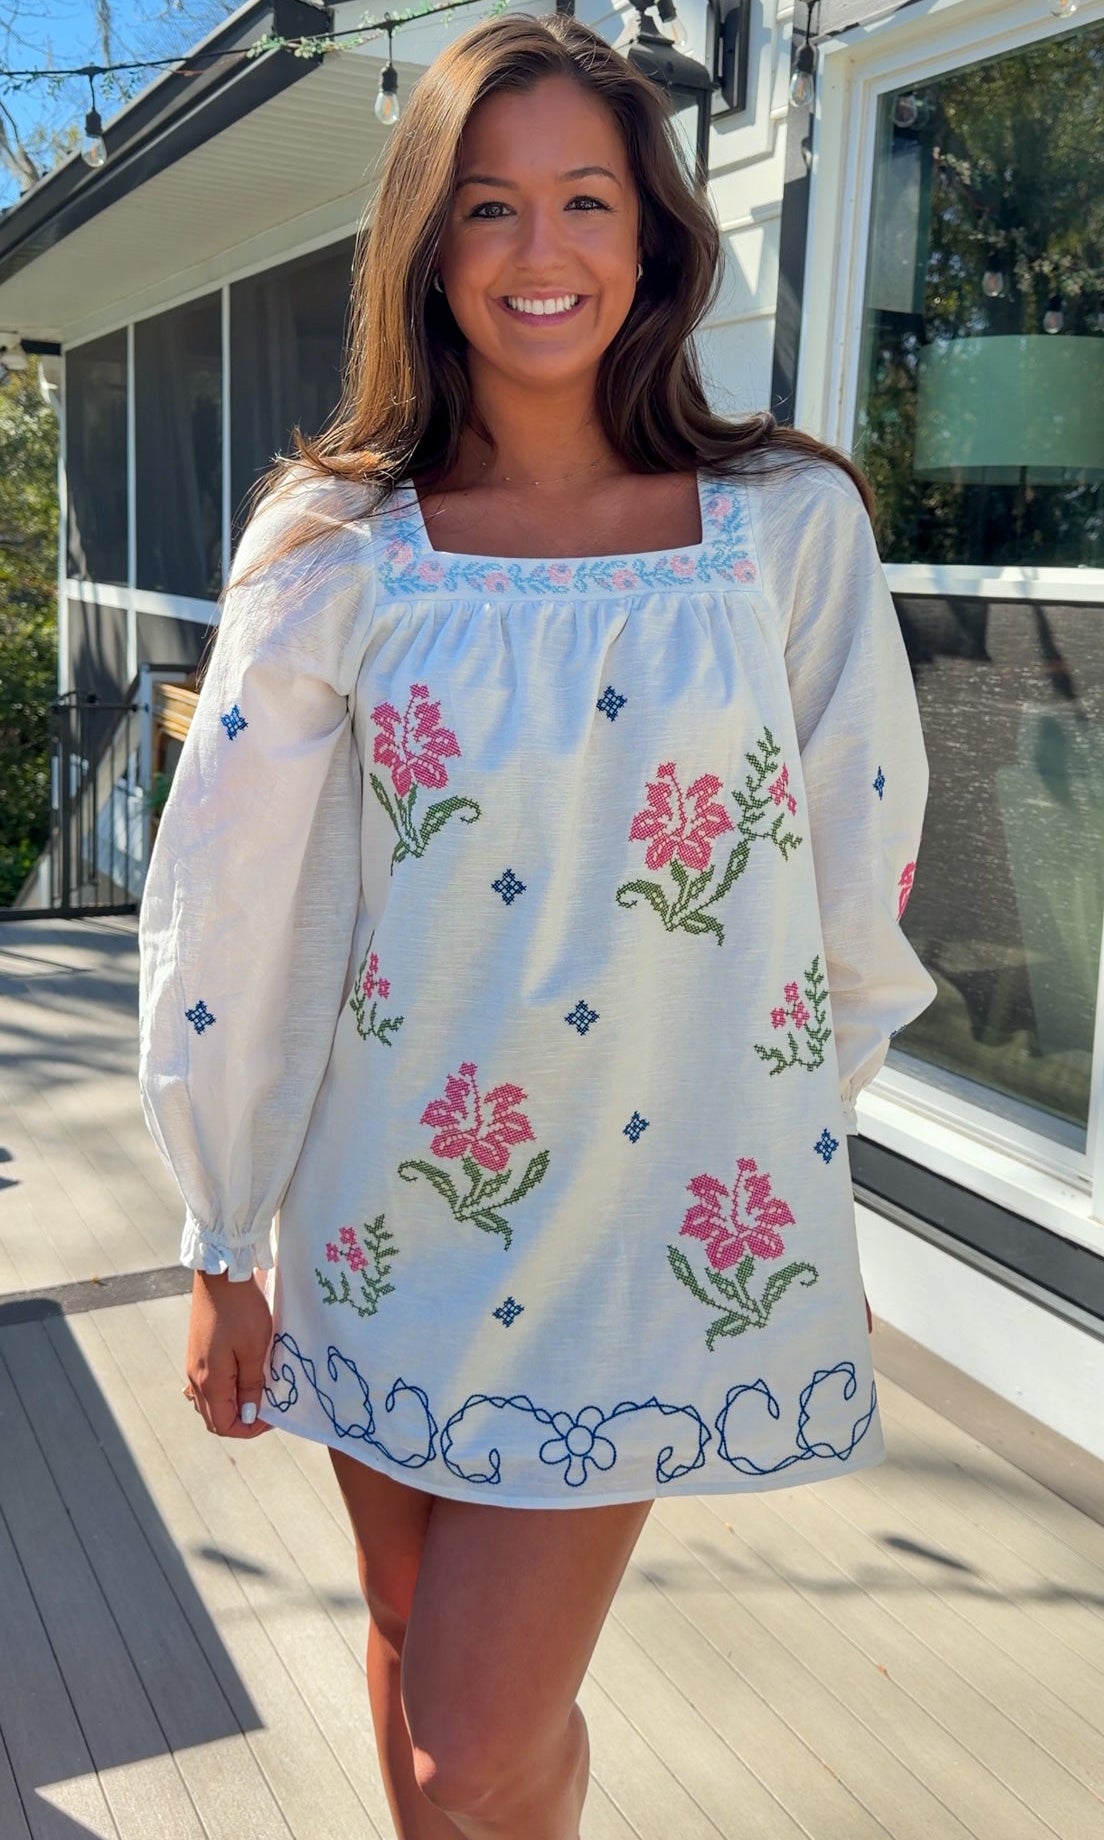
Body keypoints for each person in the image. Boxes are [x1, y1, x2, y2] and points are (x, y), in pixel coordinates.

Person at [138, 12, 937, 1837]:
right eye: (489, 207)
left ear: (653, 234)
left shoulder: (783, 530)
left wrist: (775, 1143)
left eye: (587, 198)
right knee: (411, 1634)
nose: (542, 250)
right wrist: (215, 1226)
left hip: (641, 1225)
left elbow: (853, 871)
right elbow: (237, 909)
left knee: (469, 1737)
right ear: (427, 245)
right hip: (379, 1204)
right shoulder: (331, 547)